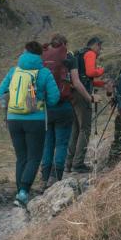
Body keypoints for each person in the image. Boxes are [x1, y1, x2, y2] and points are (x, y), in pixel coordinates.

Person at [0, 41, 59, 205]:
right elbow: (54, 99)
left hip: (13, 119)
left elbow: (1, 91)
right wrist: (41, 99)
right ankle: (23, 193)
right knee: (34, 157)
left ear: (24, 53)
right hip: (35, 120)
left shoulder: (14, 71)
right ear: (40, 55)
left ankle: (20, 192)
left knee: (21, 158)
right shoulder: (44, 73)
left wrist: (9, 106)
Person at [38, 34, 76, 191]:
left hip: (45, 107)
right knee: (61, 143)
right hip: (63, 106)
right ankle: (56, 177)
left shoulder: (43, 57)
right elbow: (76, 81)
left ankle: (44, 179)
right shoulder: (68, 57)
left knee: (47, 144)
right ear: (64, 44)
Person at [66, 37, 107, 173]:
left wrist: (101, 84)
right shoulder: (90, 54)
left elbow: (84, 77)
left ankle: (69, 163)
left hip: (73, 94)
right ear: (95, 45)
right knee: (85, 129)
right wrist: (101, 71)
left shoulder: (79, 54)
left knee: (75, 129)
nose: (100, 51)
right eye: (100, 47)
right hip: (82, 96)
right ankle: (78, 164)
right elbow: (90, 73)